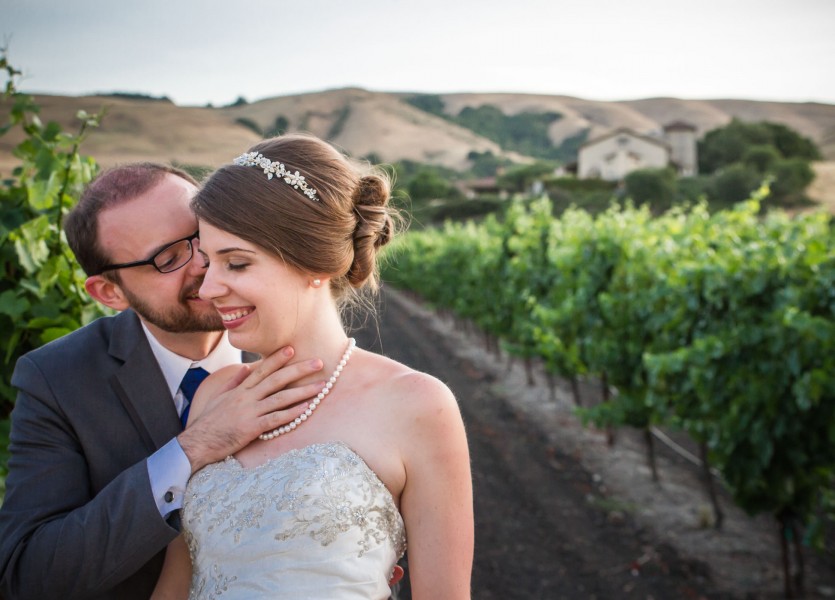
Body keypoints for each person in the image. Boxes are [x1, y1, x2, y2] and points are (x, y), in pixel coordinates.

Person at [151, 134, 474, 599]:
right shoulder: (215, 395)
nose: (208, 289)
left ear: (312, 262)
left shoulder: (417, 404)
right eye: (208, 264)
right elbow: (177, 584)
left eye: (236, 264)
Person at [0, 163, 326, 600]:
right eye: (168, 259)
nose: (205, 268)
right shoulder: (56, 380)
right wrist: (192, 449)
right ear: (109, 293)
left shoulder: (308, 351)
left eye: (202, 236)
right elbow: (29, 575)